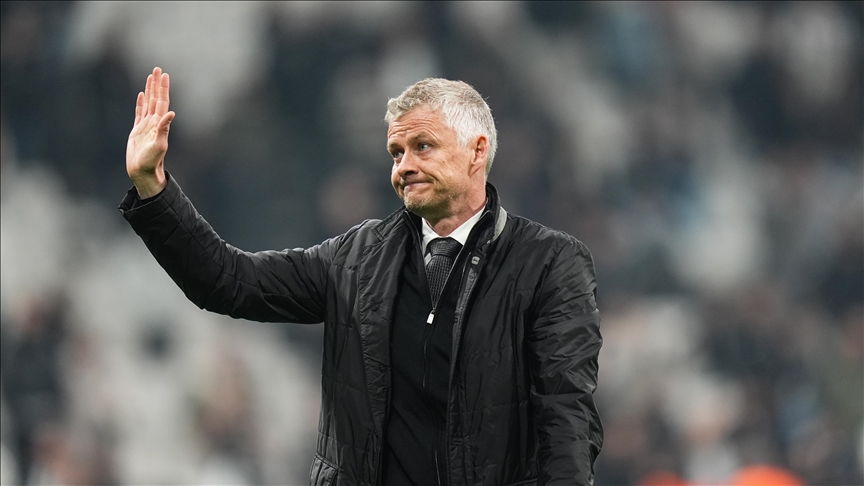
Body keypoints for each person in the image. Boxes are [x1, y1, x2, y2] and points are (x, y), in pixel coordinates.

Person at [120, 67, 603, 486]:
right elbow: (228, 281)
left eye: (422, 146)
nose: (405, 166)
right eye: (396, 153)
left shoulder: (550, 263)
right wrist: (152, 188)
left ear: (477, 152)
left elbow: (566, 417)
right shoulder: (356, 258)